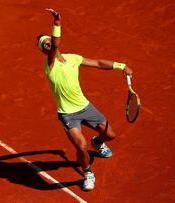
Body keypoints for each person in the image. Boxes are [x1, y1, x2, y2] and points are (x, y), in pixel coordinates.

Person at [37, 8, 133, 191]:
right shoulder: (49, 64)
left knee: (111, 135)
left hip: (85, 106)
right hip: (67, 114)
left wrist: (121, 66)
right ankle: (88, 172)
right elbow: (56, 45)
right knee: (81, 145)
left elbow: (98, 63)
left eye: (49, 42)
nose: (49, 44)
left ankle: (97, 143)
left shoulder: (73, 58)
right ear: (43, 51)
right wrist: (56, 23)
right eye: (45, 45)